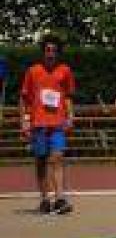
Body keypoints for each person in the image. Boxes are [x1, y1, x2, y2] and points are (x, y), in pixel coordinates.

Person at [19, 35, 75, 215]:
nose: (50, 53)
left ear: (58, 53)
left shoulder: (65, 71)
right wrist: (24, 121)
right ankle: (45, 199)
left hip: (57, 123)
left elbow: (68, 96)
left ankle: (59, 198)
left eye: (54, 50)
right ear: (43, 52)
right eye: (47, 50)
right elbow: (24, 97)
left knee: (57, 158)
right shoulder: (33, 71)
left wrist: (70, 116)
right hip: (38, 123)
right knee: (41, 161)